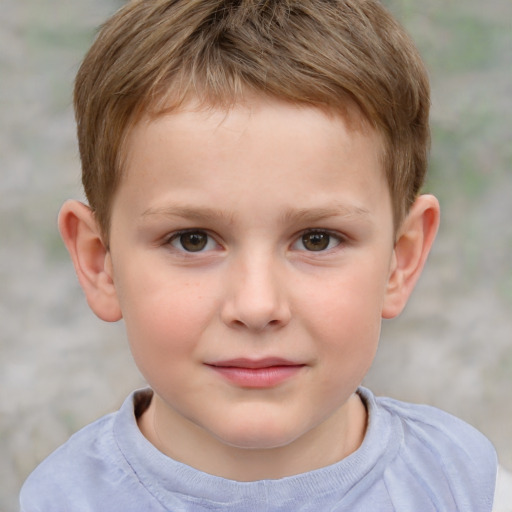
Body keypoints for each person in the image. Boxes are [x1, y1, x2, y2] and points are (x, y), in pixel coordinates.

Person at [20, 0, 498, 510]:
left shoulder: (467, 483)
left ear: (399, 261)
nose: (255, 305)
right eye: (193, 239)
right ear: (101, 262)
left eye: (317, 239)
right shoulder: (62, 499)